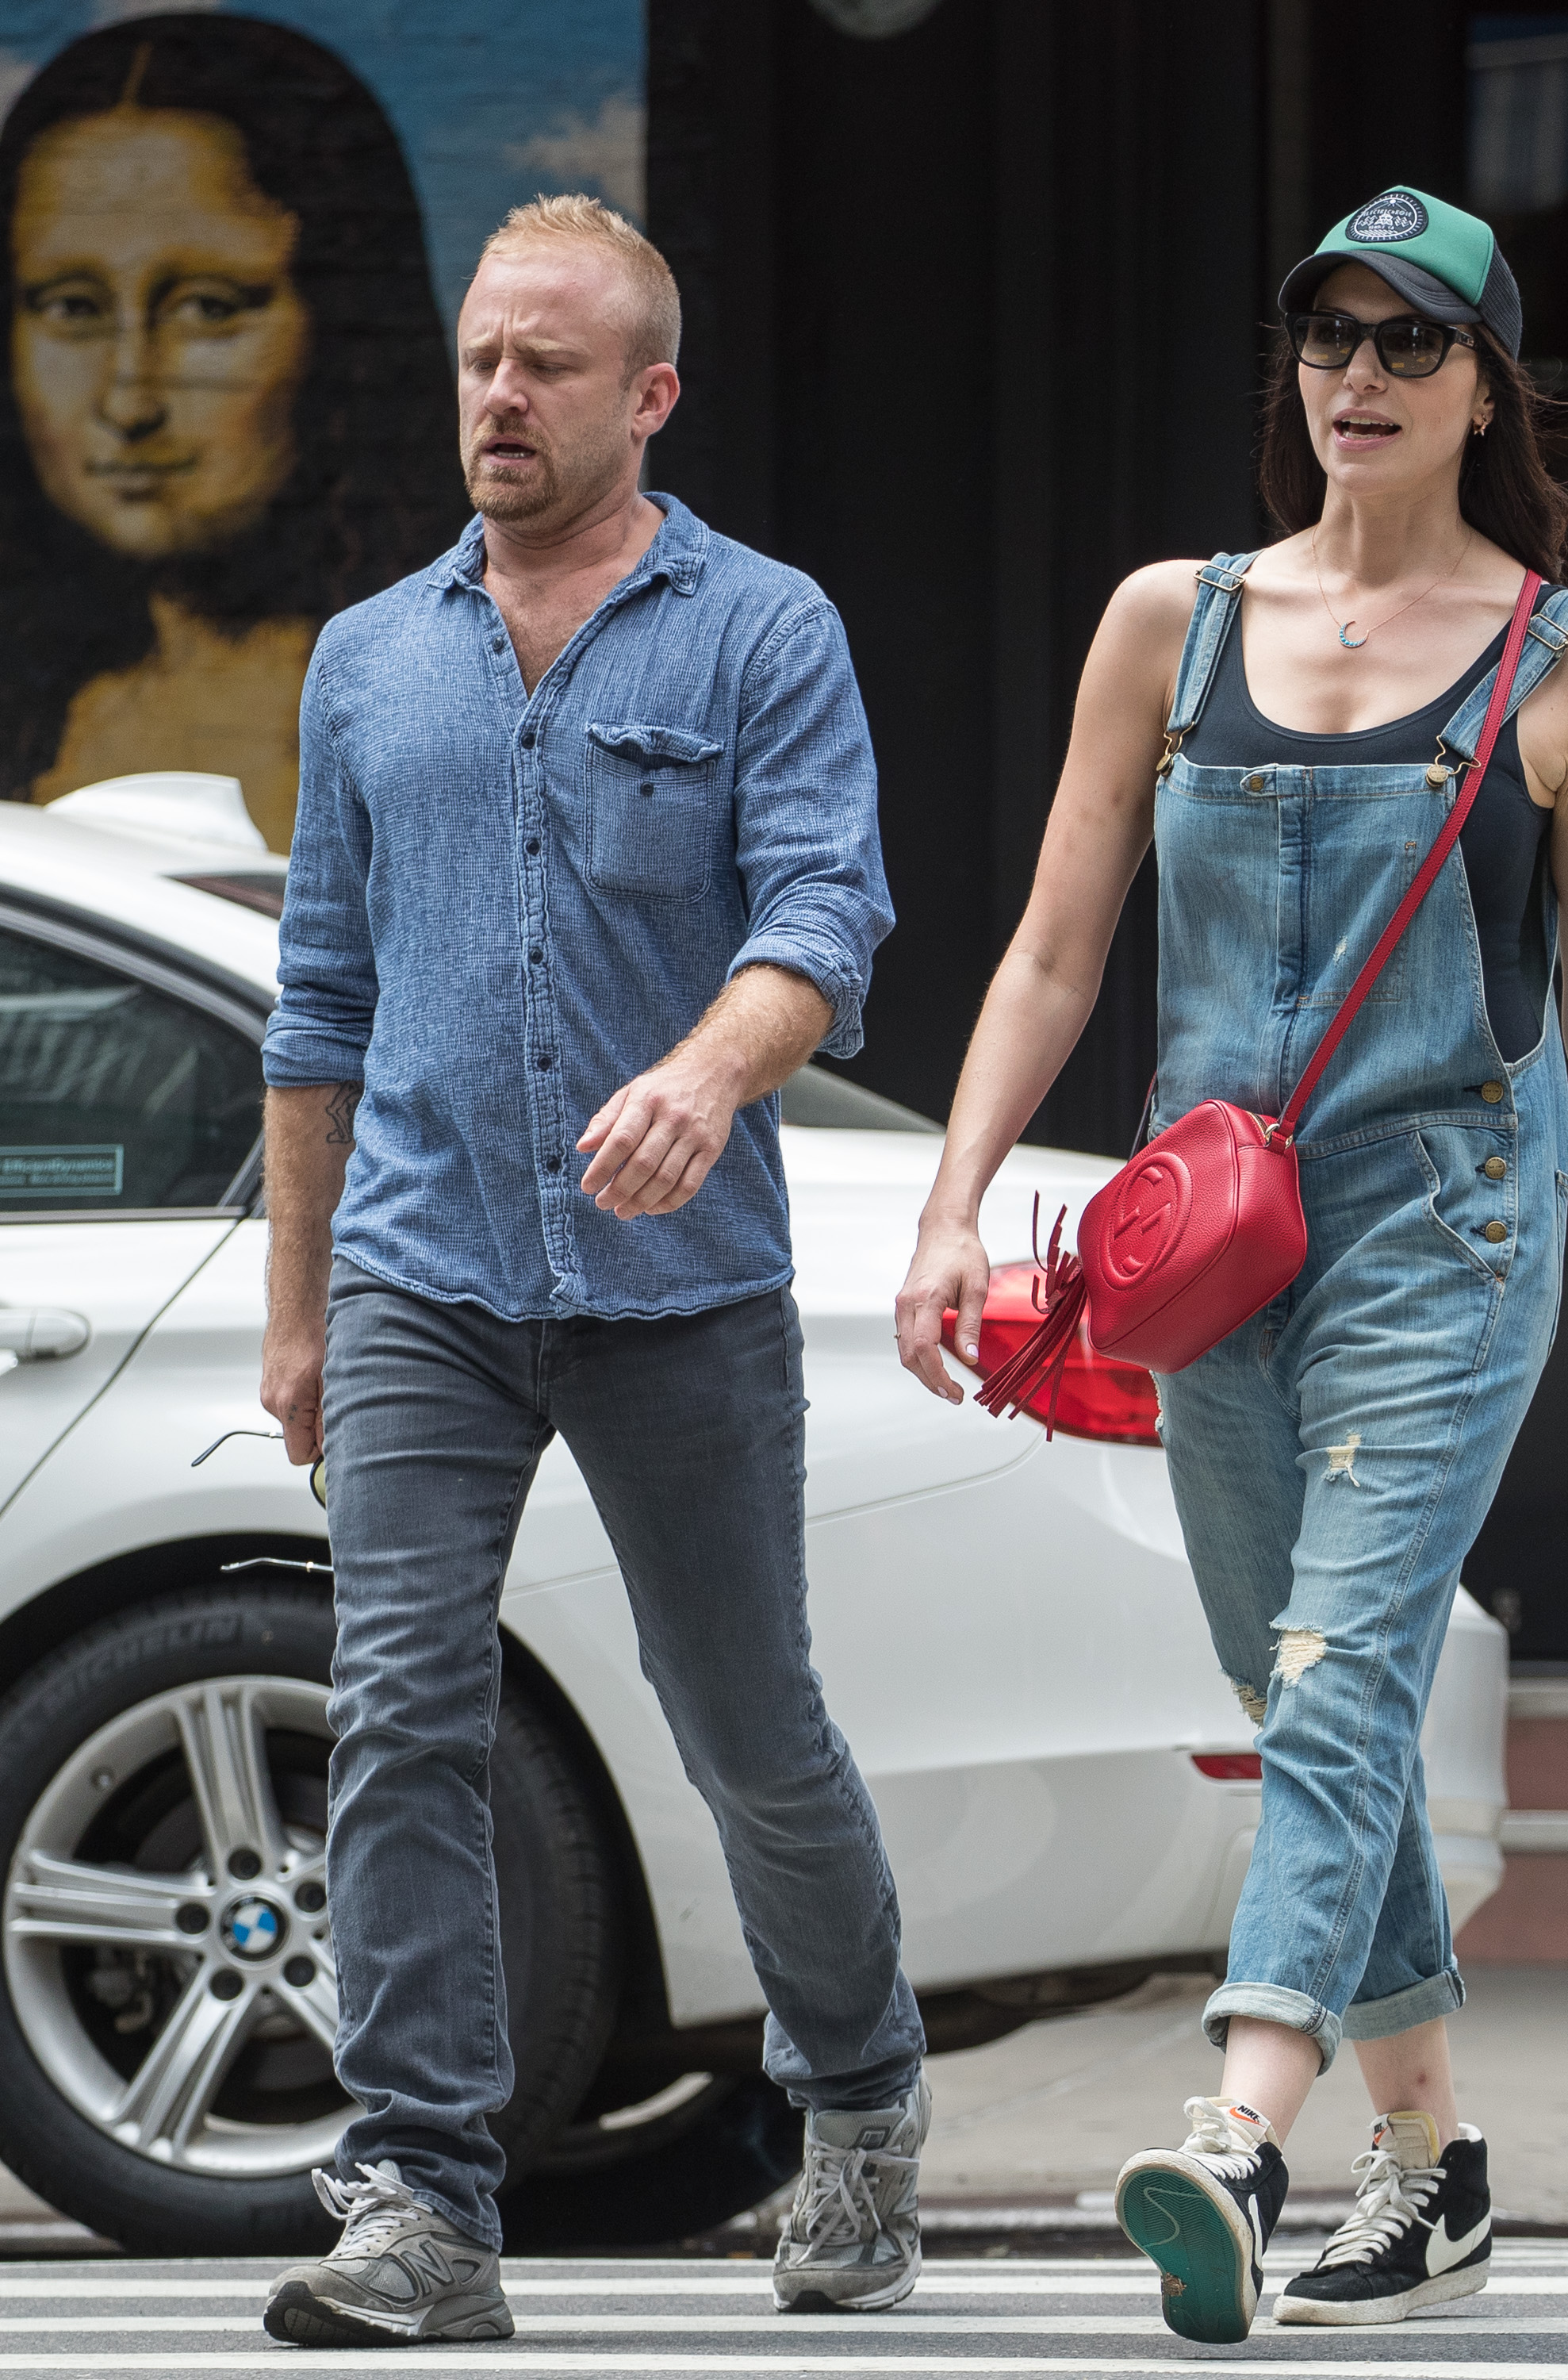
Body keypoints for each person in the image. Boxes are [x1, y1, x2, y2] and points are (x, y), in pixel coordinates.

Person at [895, 186, 1568, 2344]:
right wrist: (954, 1194)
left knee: (1342, 1675)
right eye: (1325, 341)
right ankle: (1436, 2165)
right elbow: (1059, 943)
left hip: (1447, 1235)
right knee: (1295, 1684)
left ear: (1484, 389)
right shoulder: (1163, 624)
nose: (1355, 381)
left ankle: (1237, 2129)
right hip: (1205, 1251)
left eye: (1407, 348)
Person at [259, 194, 927, 2347]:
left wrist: (708, 1076)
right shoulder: (371, 658)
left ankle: (856, 2105)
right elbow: (316, 1009)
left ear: (647, 395)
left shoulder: (761, 631)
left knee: (748, 1732)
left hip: (681, 1289)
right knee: (395, 1719)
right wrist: (295, 1315)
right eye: (479, 359)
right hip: (420, 1279)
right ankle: (423, 2207)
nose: (500, 398)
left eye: (547, 367)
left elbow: (824, 921)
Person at [0, 13, 464, 846]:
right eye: (72, 306)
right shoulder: (34, 703)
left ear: (343, 323)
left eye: (208, 307)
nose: (130, 398)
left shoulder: (464, 691)